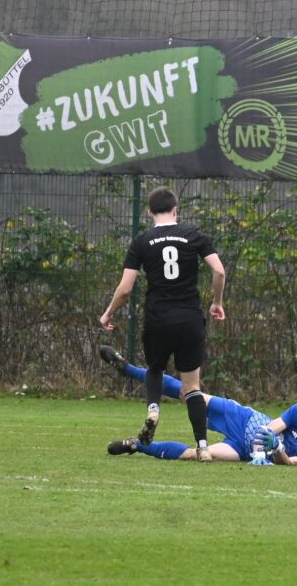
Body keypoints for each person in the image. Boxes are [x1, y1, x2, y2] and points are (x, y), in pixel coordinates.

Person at [99, 187, 226, 463]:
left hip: (158, 317)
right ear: (176, 210)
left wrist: (109, 312)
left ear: (148, 212)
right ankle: (203, 446)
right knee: (192, 386)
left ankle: (153, 409)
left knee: (155, 368)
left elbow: (125, 288)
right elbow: (218, 270)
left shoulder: (142, 241)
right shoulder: (194, 235)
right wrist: (217, 302)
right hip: (190, 319)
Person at [99, 346, 297, 466]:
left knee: (196, 454)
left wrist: (277, 452)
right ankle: (127, 369)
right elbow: (270, 428)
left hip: (243, 451)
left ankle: (138, 445)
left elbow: (289, 463)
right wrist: (267, 443)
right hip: (244, 420)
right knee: (188, 392)